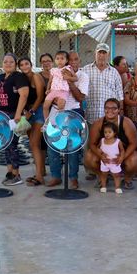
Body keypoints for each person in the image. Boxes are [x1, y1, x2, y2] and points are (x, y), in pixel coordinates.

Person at [46, 51, 88, 189]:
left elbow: (80, 97)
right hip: (56, 112)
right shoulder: (58, 72)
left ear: (79, 61)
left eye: (76, 59)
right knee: (53, 144)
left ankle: (73, 178)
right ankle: (56, 176)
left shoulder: (82, 76)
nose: (73, 62)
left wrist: (69, 80)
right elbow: (52, 88)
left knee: (72, 146)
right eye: (70, 59)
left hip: (73, 112)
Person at [83, 43, 124, 181]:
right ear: (95, 53)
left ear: (108, 55)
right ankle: (91, 170)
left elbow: (119, 96)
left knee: (110, 145)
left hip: (110, 118)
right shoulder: (86, 70)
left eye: (104, 53)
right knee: (91, 144)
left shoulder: (114, 72)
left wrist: (120, 115)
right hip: (91, 114)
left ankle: (111, 169)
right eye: (100, 52)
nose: (102, 55)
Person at [84, 98, 137, 189]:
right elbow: (92, 144)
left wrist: (122, 157)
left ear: (119, 110)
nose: (110, 110)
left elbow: (133, 143)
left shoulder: (126, 122)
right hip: (105, 155)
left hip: (122, 153)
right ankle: (102, 177)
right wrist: (101, 155)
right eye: (107, 108)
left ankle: (127, 179)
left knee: (134, 160)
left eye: (113, 108)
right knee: (89, 157)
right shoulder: (98, 123)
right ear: (104, 109)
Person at [0, 53, 29, 186]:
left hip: (13, 115)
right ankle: (9, 172)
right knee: (5, 145)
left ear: (15, 64)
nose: (7, 64)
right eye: (5, 61)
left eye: (11, 62)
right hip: (1, 115)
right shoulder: (1, 77)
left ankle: (16, 174)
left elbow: (24, 95)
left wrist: (18, 114)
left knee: (12, 145)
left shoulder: (18, 77)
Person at [18, 57, 46, 186]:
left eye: (26, 64)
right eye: (22, 65)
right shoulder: (22, 79)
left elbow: (41, 96)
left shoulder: (36, 77)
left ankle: (40, 177)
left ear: (31, 64)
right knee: (34, 145)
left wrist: (32, 112)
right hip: (28, 113)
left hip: (38, 112)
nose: (25, 66)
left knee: (35, 144)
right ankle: (39, 172)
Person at [42, 51, 74, 122]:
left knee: (61, 106)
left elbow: (75, 78)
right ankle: (46, 122)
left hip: (63, 91)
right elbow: (50, 81)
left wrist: (68, 78)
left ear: (66, 60)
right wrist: (47, 89)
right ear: (55, 60)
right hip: (53, 90)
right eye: (57, 58)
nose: (59, 60)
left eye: (62, 58)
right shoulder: (53, 70)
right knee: (45, 106)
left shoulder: (68, 68)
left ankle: (61, 122)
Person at [98, 121, 124, 194]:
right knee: (103, 174)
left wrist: (121, 157)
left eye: (109, 132)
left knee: (116, 175)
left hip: (115, 162)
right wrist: (102, 153)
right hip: (105, 162)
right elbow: (98, 148)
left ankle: (117, 187)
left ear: (114, 133)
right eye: (105, 132)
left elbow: (122, 150)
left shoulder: (118, 141)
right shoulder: (102, 140)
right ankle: (103, 186)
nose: (107, 134)